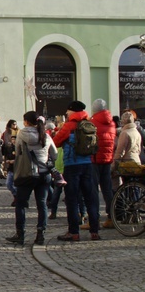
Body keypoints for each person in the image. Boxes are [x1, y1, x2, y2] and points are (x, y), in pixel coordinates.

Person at [5, 112, 57, 246]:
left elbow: (18, 152)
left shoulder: (22, 134)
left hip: (27, 174)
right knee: (42, 204)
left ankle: (20, 234)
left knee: (21, 204)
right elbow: (55, 154)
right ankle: (41, 234)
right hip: (44, 174)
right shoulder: (45, 134)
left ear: (26, 121)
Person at [53, 101, 101, 242]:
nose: (66, 114)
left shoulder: (69, 125)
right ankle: (95, 231)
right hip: (88, 164)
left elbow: (56, 142)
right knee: (90, 199)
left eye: (68, 111)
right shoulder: (89, 124)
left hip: (72, 166)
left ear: (72, 111)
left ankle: (74, 232)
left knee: (72, 199)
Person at [90, 99, 116, 229]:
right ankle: (112, 218)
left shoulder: (92, 122)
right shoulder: (111, 123)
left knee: (93, 190)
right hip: (107, 159)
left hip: (94, 159)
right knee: (107, 190)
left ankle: (94, 219)